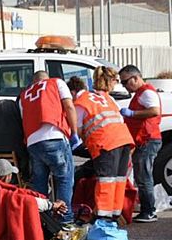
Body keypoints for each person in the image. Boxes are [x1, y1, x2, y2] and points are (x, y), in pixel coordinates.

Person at [70, 68, 135, 222]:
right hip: (124, 140)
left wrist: (73, 143)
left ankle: (103, 219)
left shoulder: (81, 102)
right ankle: (114, 215)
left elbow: (76, 130)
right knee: (119, 181)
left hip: (106, 144)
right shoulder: (108, 98)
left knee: (106, 181)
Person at [18, 70, 78, 223]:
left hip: (33, 142)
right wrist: (74, 132)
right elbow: (69, 107)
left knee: (39, 183)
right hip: (54, 137)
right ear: (46, 78)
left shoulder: (24, 95)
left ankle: (42, 221)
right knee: (64, 178)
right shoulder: (56, 83)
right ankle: (64, 219)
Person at [119, 65, 162, 223]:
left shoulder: (146, 93)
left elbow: (154, 111)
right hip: (144, 139)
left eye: (125, 82)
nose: (124, 86)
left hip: (147, 139)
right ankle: (147, 209)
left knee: (143, 176)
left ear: (135, 78)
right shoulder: (141, 93)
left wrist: (132, 114)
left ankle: (149, 211)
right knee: (142, 175)